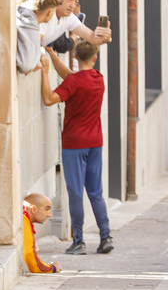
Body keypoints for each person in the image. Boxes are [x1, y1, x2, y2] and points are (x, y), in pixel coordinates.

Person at [39, 40, 113, 255]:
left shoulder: (73, 82)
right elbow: (72, 78)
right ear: (95, 58)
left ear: (74, 57)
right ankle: (105, 236)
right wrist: (53, 57)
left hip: (73, 144)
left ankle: (79, 241)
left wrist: (45, 72)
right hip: (95, 143)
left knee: (75, 193)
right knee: (95, 192)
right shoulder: (99, 79)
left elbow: (49, 98)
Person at [22, 193, 60, 274]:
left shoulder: (22, 216)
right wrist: (53, 268)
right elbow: (35, 266)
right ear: (33, 209)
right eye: (47, 209)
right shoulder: (23, 221)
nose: (49, 215)